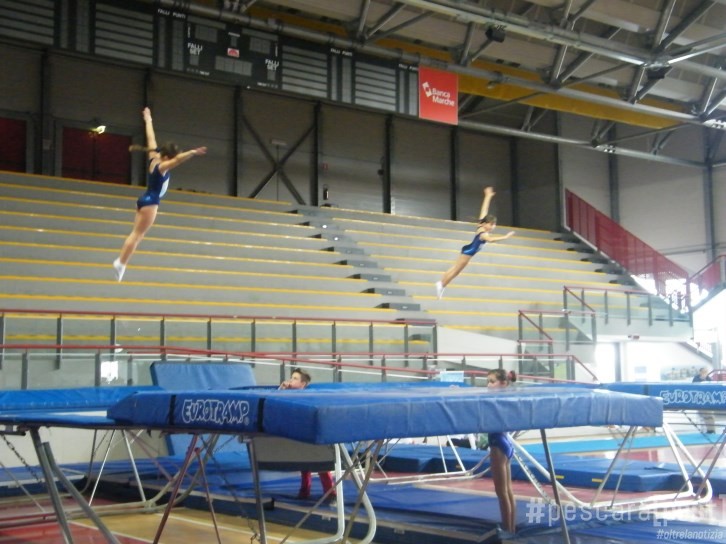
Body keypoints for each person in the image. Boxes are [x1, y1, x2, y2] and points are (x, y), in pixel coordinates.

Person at [112, 107, 207, 282]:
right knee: (137, 236)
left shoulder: (153, 156)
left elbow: (150, 137)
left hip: (143, 200)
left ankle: (121, 262)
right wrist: (192, 152)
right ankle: (121, 263)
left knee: (135, 233)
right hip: (151, 202)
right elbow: (178, 160)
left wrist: (148, 119)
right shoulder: (162, 167)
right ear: (168, 157)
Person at [435, 187, 515, 299]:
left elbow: (484, 210)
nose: (493, 227)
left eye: (494, 225)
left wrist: (487, 196)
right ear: (485, 224)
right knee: (456, 271)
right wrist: (505, 236)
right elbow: (490, 240)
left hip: (468, 250)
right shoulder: (482, 232)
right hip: (468, 252)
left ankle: (442, 283)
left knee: (455, 268)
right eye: (491, 224)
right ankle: (442, 285)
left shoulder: (481, 225)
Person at [279, 368, 337, 502]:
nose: (291, 380)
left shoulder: (309, 395)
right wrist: (282, 389)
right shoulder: (287, 394)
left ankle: (330, 492)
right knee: (304, 464)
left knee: (321, 463)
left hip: (313, 433)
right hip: (300, 433)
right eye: (291, 377)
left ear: (303, 384)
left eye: (295, 378)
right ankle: (304, 490)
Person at [486, 368, 517, 534]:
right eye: (488, 381)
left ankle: (507, 528)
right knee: (508, 490)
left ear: (503, 383)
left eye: (492, 381)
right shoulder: (505, 398)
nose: (488, 385)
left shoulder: (496, 399)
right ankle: (511, 527)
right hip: (504, 443)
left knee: (501, 491)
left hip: (498, 444)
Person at [693, 367, 716, 433]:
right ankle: (703, 429)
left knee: (709, 415)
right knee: (702, 415)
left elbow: (712, 387)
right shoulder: (696, 378)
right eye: (703, 372)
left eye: (706, 372)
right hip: (699, 399)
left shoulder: (709, 378)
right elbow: (693, 387)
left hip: (708, 400)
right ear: (700, 372)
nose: (705, 373)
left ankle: (711, 429)